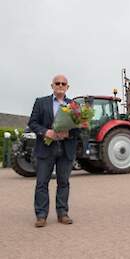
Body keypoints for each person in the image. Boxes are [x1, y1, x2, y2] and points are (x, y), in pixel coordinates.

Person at [28, 75, 80, 227]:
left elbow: (80, 129)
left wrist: (68, 133)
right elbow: (33, 123)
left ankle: (62, 213)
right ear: (52, 86)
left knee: (63, 183)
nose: (60, 85)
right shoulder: (41, 102)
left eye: (63, 83)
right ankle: (41, 215)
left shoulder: (74, 106)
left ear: (67, 87)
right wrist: (45, 132)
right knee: (42, 183)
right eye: (57, 83)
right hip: (45, 148)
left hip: (65, 149)